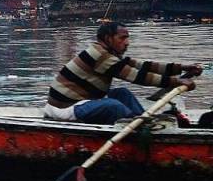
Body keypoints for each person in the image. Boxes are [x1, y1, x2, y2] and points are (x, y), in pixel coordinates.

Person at [45, 22, 200, 124]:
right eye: (122, 38)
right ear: (108, 38)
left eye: (127, 38)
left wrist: (182, 68)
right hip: (64, 108)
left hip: (83, 101)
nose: (127, 42)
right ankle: (139, 126)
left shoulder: (108, 54)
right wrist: (177, 82)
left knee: (122, 93)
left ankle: (144, 123)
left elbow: (144, 66)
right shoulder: (100, 55)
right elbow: (138, 76)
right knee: (114, 105)